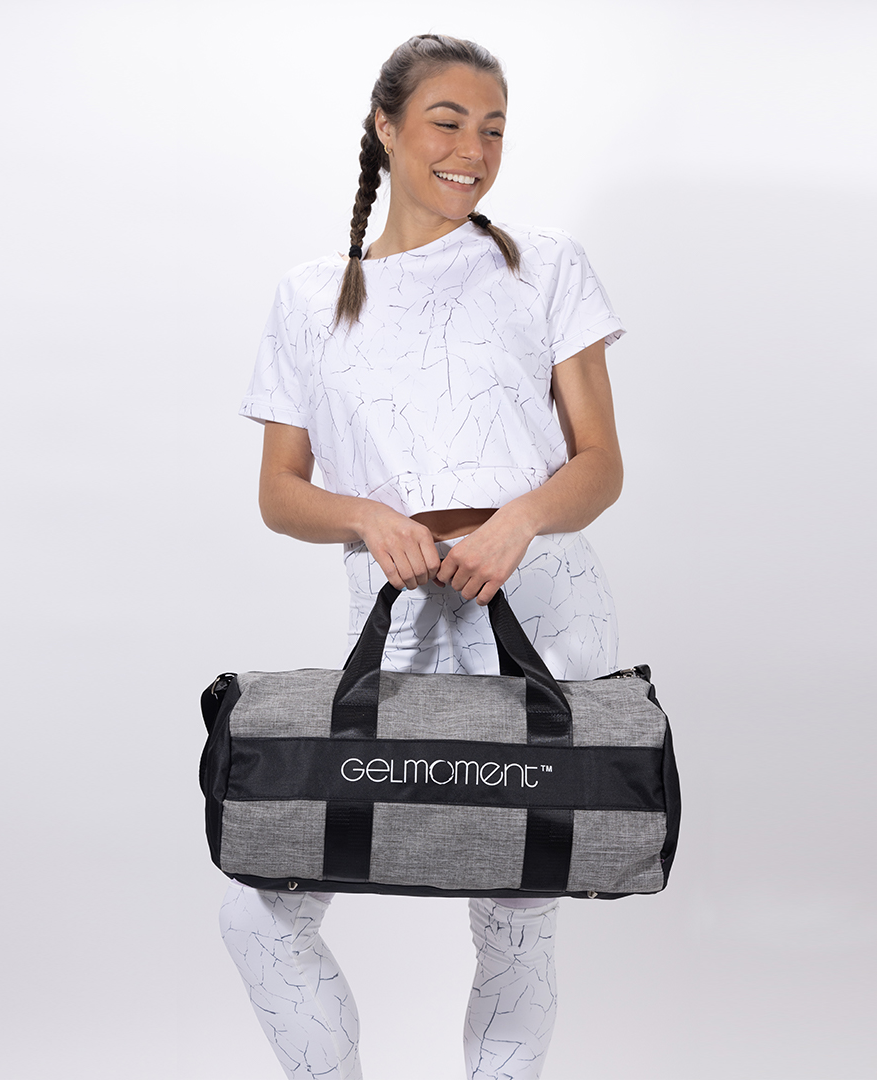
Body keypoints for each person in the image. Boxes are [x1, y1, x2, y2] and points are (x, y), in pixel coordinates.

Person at [221, 33, 626, 1080]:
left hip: (540, 605)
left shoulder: (543, 264)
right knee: (260, 904)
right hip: (397, 616)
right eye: (448, 122)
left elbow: (600, 466)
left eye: (493, 130)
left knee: (518, 912)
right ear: (386, 126)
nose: (472, 151)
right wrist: (366, 517)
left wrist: (520, 520)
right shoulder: (312, 296)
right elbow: (280, 494)